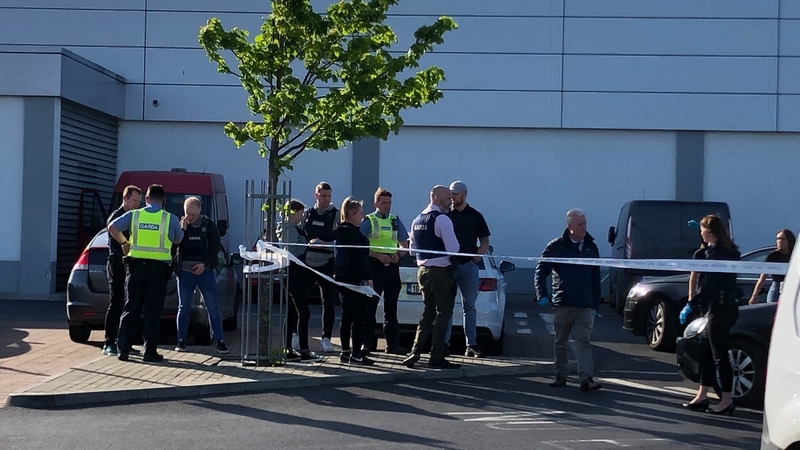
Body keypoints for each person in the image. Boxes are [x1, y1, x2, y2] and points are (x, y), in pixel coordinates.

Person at [109, 184, 183, 362]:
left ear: (147, 199)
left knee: (131, 307)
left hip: (135, 268)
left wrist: (124, 242)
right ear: (163, 200)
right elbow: (178, 239)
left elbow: (112, 227)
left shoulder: (134, 215)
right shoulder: (169, 218)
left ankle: (123, 350)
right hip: (158, 271)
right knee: (152, 311)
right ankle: (149, 352)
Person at [535, 208, 602, 392]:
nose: (584, 227)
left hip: (585, 304)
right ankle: (560, 375)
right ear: (569, 226)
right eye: (580, 224)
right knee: (560, 342)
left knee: (583, 341)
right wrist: (542, 293)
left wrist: (595, 304)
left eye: (585, 223)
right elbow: (541, 271)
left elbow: (595, 278)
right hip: (563, 302)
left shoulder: (591, 247)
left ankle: (586, 378)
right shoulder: (556, 246)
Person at [679, 214, 741, 415]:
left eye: (702, 231)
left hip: (720, 309)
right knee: (705, 352)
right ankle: (702, 395)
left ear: (709, 232)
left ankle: (726, 400)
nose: (700, 234)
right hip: (715, 308)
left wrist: (692, 304)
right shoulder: (721, 251)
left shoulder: (718, 255)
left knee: (719, 355)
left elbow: (709, 285)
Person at [402, 185, 461, 370]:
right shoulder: (442, 219)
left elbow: (412, 251)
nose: (450, 202)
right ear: (436, 198)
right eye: (447, 199)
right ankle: (436, 355)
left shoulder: (417, 219)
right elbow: (454, 249)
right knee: (443, 313)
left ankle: (415, 351)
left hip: (423, 272)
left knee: (428, 312)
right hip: (440, 272)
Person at [174, 197, 229, 354]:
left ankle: (219, 340)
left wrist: (204, 264)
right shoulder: (180, 226)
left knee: (212, 306)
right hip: (185, 272)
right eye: (187, 213)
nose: (190, 217)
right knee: (183, 306)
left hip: (204, 270)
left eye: (193, 214)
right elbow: (174, 246)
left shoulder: (208, 225)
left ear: (199, 211)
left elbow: (215, 247)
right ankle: (181, 340)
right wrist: (182, 231)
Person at [359, 187, 409, 355]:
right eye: (384, 203)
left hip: (392, 268)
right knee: (369, 308)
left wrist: (398, 255)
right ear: (376, 204)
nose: (387, 206)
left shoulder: (395, 220)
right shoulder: (368, 221)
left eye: (389, 202)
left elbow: (405, 244)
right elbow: (361, 247)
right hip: (374, 267)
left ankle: (392, 345)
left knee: (391, 308)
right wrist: (378, 256)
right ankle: (367, 344)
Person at [444, 181, 491, 358]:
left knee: (469, 307)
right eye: (451, 193)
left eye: (455, 194)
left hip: (468, 267)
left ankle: (471, 345)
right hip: (449, 266)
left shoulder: (475, 216)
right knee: (446, 307)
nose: (452, 197)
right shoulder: (445, 215)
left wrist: (475, 259)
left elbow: (484, 241)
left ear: (463, 194)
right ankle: (443, 344)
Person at [277, 199, 323, 362]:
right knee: (304, 312)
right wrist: (307, 243)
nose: (302, 216)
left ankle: (288, 349)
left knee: (292, 312)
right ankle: (304, 350)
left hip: (295, 272)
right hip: (293, 272)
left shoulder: (292, 227)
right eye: (301, 213)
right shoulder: (289, 229)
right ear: (293, 212)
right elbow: (292, 250)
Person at [333, 196, 374, 365]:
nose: (362, 217)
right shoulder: (353, 235)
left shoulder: (340, 232)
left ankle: (345, 352)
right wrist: (367, 277)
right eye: (360, 214)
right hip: (354, 281)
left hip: (342, 279)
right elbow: (358, 259)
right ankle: (356, 354)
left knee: (346, 316)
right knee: (359, 318)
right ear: (351, 214)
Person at [101, 185, 141, 356]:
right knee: (116, 302)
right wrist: (125, 244)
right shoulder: (117, 217)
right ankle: (109, 342)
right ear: (125, 199)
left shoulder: (135, 217)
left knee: (128, 303)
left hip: (130, 264)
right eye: (134, 200)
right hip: (117, 263)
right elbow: (115, 237)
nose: (136, 204)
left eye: (139, 201)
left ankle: (124, 342)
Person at [303, 182, 339, 353]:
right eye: (323, 196)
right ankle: (295, 336)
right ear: (316, 195)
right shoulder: (307, 214)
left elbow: (339, 241)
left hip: (327, 262)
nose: (326, 199)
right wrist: (308, 243)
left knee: (329, 302)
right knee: (299, 298)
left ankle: (326, 339)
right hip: (307, 262)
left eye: (329, 196)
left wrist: (325, 244)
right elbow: (300, 234)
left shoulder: (335, 215)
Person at [749, 229, 795, 304]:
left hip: (792, 286)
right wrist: (754, 295)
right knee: (771, 307)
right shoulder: (773, 256)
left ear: (789, 241)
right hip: (776, 286)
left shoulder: (795, 255)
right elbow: (763, 277)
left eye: (782, 239)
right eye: (778, 239)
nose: (779, 241)